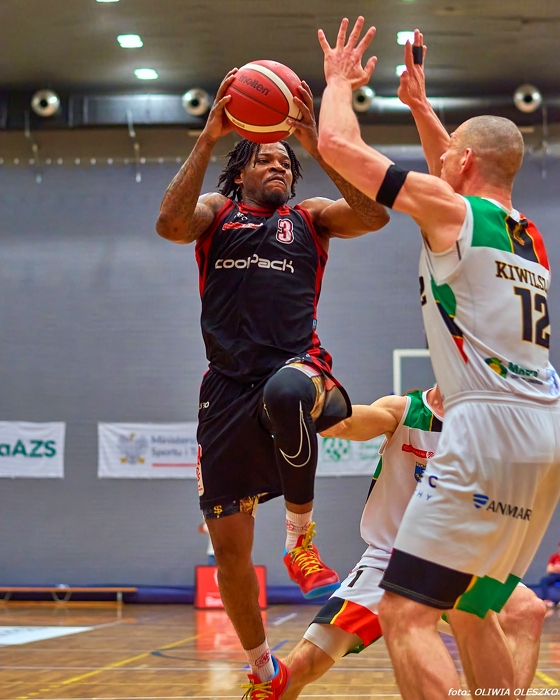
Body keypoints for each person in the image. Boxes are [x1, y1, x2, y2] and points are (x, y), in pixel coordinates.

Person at [316, 17, 560, 698]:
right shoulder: (527, 236)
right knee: (473, 612)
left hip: (484, 428)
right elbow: (457, 171)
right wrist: (421, 106)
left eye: (448, 154)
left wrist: (339, 83)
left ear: (464, 163)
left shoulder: (450, 212)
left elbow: (336, 144)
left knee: (404, 612)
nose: (439, 158)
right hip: (544, 431)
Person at [156, 70, 389, 697]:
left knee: (286, 393)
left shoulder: (310, 218)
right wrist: (208, 138)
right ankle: (265, 671)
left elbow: (375, 215)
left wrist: (317, 144)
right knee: (231, 551)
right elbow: (170, 225)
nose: (279, 165)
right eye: (265, 158)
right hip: (226, 392)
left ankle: (300, 537)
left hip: (299, 368)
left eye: (286, 161)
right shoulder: (217, 214)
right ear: (239, 174)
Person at [276, 386, 546, 700]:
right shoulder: (405, 411)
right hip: (388, 560)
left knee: (528, 610)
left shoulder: (493, 429)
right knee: (304, 665)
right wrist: (307, 400)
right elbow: (344, 424)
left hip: (454, 563)